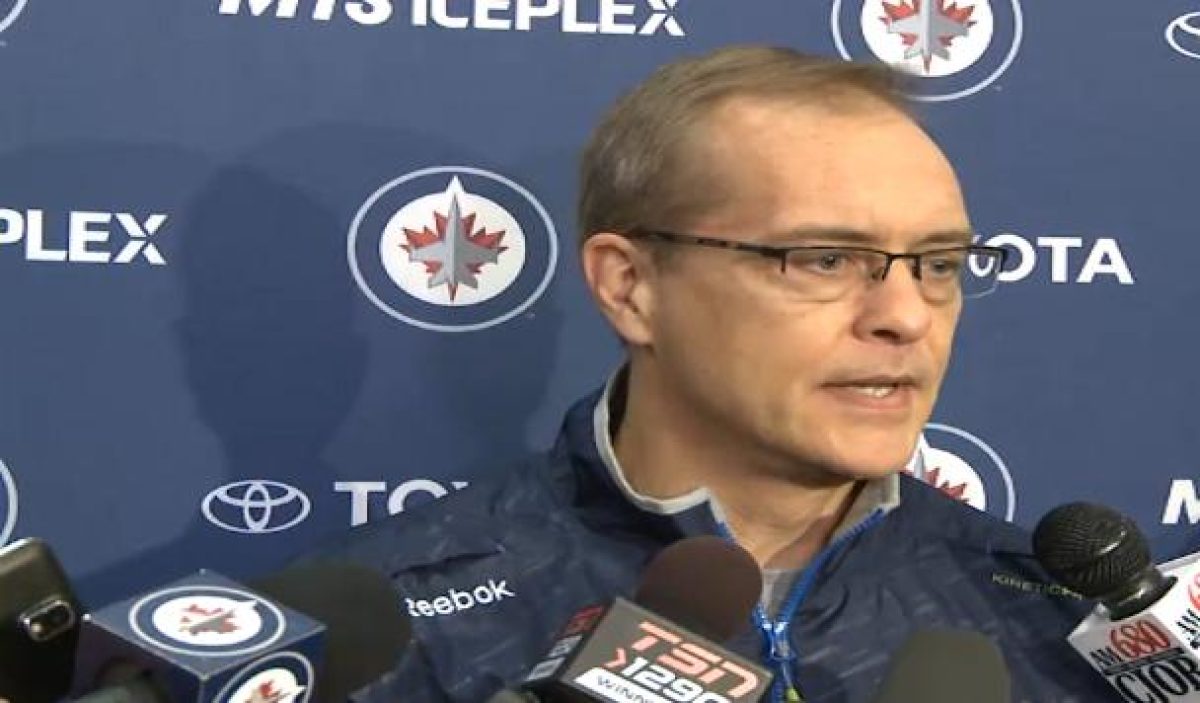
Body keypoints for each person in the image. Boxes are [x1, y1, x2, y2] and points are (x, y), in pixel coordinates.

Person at [311, 46, 1120, 702]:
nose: (906, 316)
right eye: (826, 258)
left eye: (938, 264)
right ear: (631, 286)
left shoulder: (1061, 618)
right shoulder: (387, 631)